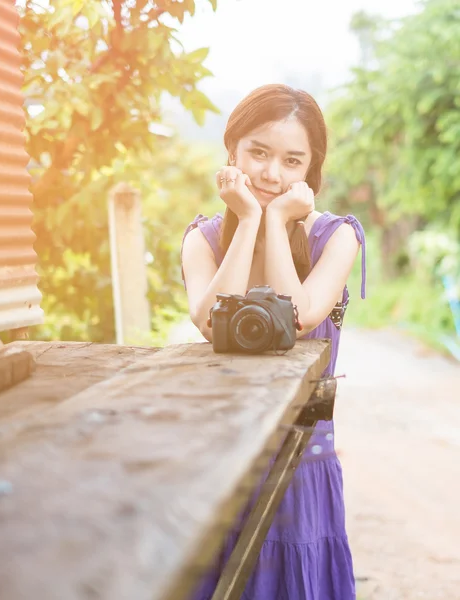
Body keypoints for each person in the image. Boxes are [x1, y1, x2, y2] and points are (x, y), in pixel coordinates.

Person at [181, 83, 367, 600]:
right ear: (232, 153)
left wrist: (282, 219)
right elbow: (212, 322)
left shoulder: (336, 236)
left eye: (292, 160)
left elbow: (301, 318)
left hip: (300, 462)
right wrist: (248, 223)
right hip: (223, 462)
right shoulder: (205, 239)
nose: (271, 173)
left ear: (311, 169)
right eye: (257, 153)